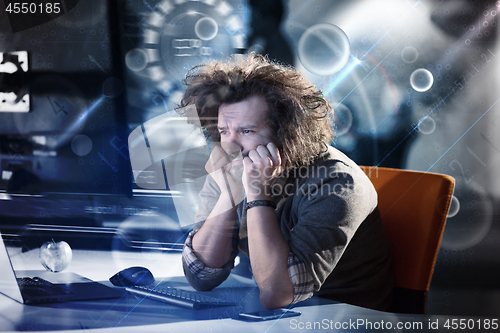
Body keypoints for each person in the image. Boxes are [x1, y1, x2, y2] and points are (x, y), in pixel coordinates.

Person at [179, 54, 393, 311]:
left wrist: (257, 192)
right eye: (224, 131)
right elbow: (201, 275)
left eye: (246, 131)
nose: (230, 146)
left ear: (285, 132)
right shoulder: (231, 166)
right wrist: (228, 193)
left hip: (340, 318)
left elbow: (277, 294)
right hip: (268, 316)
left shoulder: (337, 183)